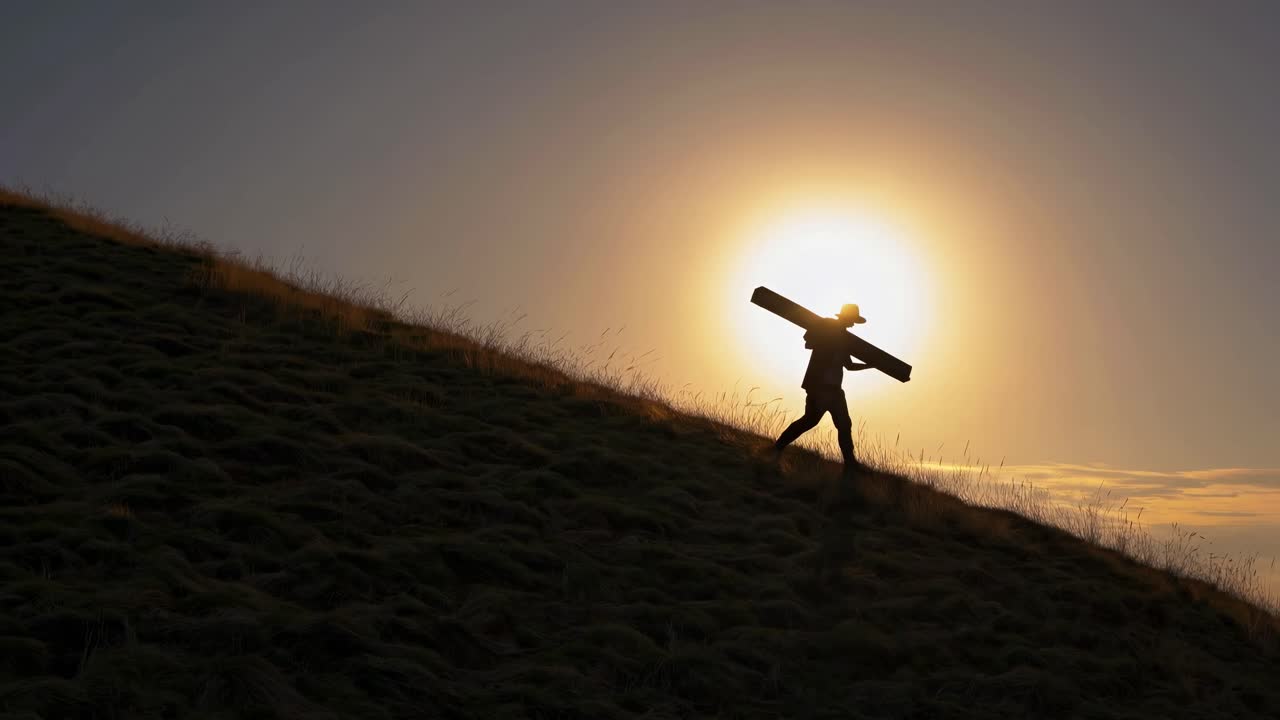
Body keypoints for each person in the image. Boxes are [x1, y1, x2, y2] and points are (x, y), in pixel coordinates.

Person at [772, 303, 874, 469]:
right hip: (818, 386)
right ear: (845, 318)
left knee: (844, 424)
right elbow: (808, 341)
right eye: (852, 320)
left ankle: (850, 463)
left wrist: (870, 365)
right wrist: (828, 338)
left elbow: (849, 366)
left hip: (835, 391)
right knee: (810, 421)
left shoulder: (847, 340)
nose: (853, 324)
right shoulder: (827, 325)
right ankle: (778, 446)